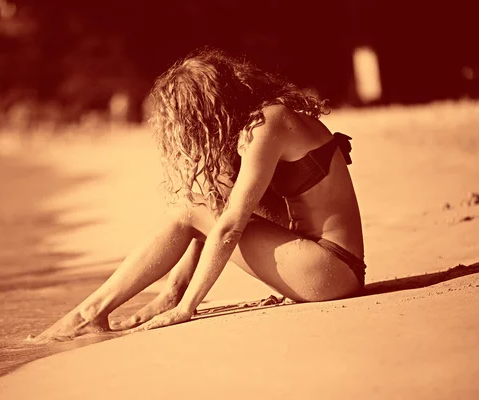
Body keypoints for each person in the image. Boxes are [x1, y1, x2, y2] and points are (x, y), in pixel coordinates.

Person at [31, 48, 366, 343]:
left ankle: (91, 312)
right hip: (319, 265)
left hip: (330, 271)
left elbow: (229, 227)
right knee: (212, 195)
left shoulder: (269, 124)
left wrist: (188, 308)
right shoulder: (263, 121)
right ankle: (166, 294)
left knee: (192, 210)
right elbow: (224, 209)